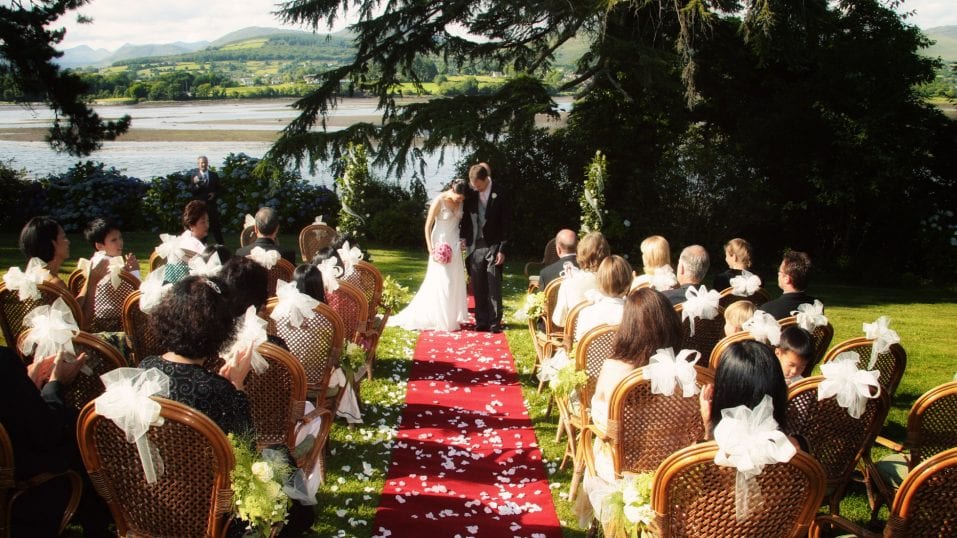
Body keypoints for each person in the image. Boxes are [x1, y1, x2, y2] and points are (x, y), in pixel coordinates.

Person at [139, 276, 314, 536]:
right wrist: (237, 387)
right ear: (218, 330)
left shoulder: (144, 369)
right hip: (211, 509)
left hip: (155, 500)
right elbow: (247, 454)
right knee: (281, 461)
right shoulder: (219, 391)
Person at [0, 346, 113, 536]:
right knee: (84, 433)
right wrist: (55, 384)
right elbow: (46, 432)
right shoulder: (3, 362)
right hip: (25, 490)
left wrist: (26, 385)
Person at [587, 288, 683, 481]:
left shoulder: (614, 368)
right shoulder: (685, 372)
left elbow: (603, 423)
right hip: (672, 469)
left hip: (623, 467)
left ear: (628, 325)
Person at [389, 179, 470, 331]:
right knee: (444, 281)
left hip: (454, 243)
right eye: (458, 197)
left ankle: (451, 316)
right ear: (452, 190)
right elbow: (428, 225)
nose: (460, 200)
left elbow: (461, 224)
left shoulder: (461, 202)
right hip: (441, 244)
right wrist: (431, 247)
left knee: (454, 282)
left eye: (462, 198)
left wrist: (462, 240)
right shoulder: (439, 201)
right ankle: (443, 319)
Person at [698, 340, 800, 450]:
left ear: (723, 393)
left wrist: (709, 429)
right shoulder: (794, 450)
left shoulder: (699, 456)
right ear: (777, 389)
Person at [19, 215, 108, 324]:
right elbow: (82, 322)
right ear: (53, 243)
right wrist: (94, 283)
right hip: (73, 340)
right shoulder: (54, 284)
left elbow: (73, 309)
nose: (68, 242)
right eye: (64, 237)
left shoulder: (35, 276)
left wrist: (90, 280)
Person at [460, 163, 511, 333]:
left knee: (493, 282)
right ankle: (481, 321)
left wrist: (502, 249)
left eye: (479, 185)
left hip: (494, 244)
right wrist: (463, 237)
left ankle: (495, 322)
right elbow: (466, 217)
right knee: (478, 283)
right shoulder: (472, 192)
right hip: (475, 243)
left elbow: (506, 223)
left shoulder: (501, 192)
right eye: (473, 185)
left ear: (486, 179)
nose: (476, 188)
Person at [551, 231, 611, 327]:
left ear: (580, 253)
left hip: (580, 340)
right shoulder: (617, 281)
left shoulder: (569, 282)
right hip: (612, 339)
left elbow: (559, 320)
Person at [574, 255, 632, 341]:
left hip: (592, 354)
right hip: (623, 354)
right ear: (628, 285)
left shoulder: (586, 313)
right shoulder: (635, 315)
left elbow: (579, 342)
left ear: (599, 283)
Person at [759, 250, 817, 320]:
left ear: (787, 279)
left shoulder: (767, 310)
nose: (778, 274)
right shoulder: (815, 306)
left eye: (779, 271)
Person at [191, 155, 224, 244]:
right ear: (198, 164)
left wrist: (214, 194)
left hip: (212, 206)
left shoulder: (214, 175)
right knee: (201, 226)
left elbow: (219, 189)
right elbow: (193, 191)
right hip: (200, 207)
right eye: (201, 163)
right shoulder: (194, 176)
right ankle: (202, 245)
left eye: (205, 162)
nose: (203, 164)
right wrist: (197, 184)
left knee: (215, 226)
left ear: (207, 163)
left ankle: (221, 246)